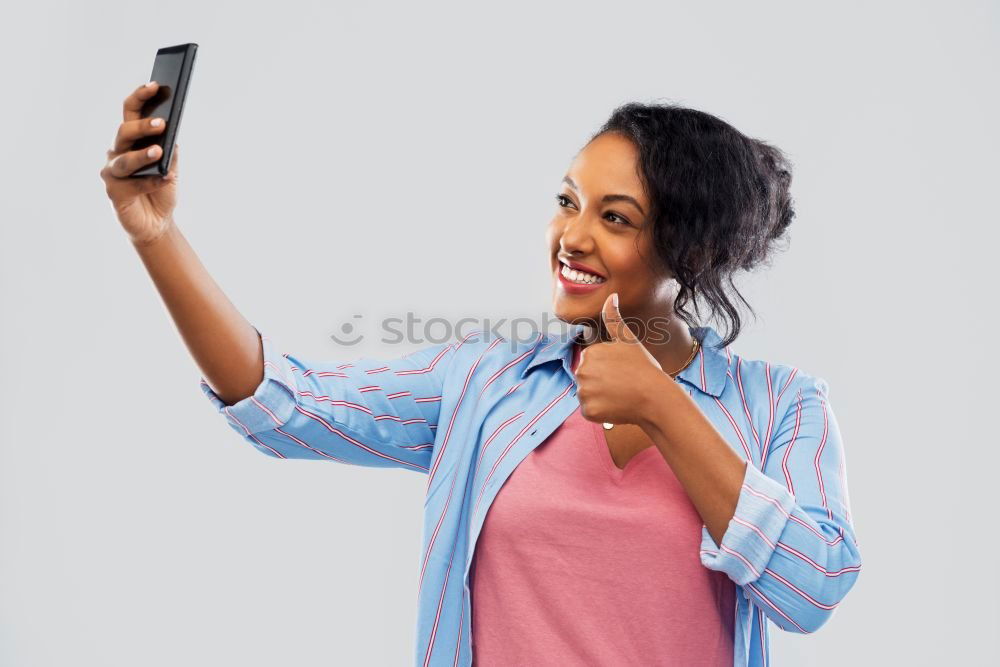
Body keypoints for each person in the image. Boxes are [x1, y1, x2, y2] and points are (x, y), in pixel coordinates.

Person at [100, 82, 862, 667]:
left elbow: (810, 589)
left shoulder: (782, 406)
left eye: (616, 217)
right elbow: (284, 402)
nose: (572, 235)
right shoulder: (486, 382)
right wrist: (156, 234)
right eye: (568, 202)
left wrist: (665, 407)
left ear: (691, 253)